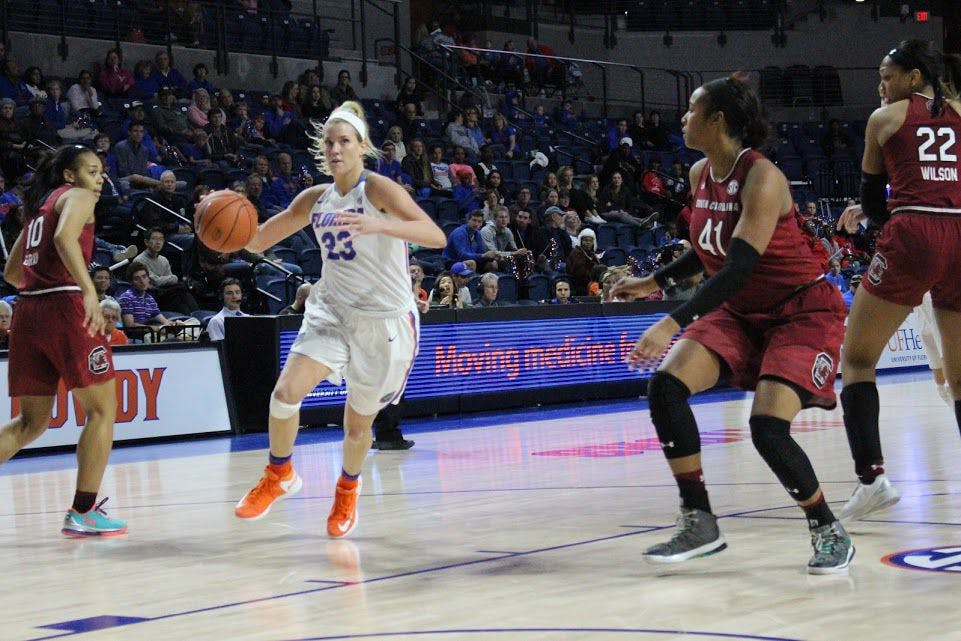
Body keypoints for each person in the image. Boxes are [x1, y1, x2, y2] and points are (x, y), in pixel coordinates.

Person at [611, 74, 853, 574]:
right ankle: (699, 520)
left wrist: (671, 321)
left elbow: (740, 262)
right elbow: (706, 251)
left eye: (692, 109)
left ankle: (827, 527)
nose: (682, 117)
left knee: (767, 427)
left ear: (717, 119)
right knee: (667, 387)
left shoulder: (763, 177)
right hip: (741, 311)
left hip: (801, 310)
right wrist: (651, 282)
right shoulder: (701, 172)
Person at [234, 101, 446, 538]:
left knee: (356, 425)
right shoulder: (315, 199)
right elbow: (256, 241)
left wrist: (381, 227)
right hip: (333, 309)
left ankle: (347, 489)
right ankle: (279, 474)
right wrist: (221, 227)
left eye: (344, 141)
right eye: (328, 142)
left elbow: (435, 236)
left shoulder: (379, 190)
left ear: (361, 146)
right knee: (285, 393)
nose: (335, 149)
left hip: (384, 319)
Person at [835, 40, 961, 521]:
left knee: (858, 357)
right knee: (959, 374)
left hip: (914, 230)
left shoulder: (884, 119)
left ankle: (871, 479)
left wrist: (890, 236)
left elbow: (871, 202)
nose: (880, 86)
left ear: (912, 77)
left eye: (886, 76)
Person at [0, 144, 126, 536]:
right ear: (70, 175)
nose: (99, 179)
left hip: (27, 311)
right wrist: (85, 291)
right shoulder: (79, 196)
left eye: (101, 172)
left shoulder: (40, 207)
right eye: (91, 171)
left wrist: (44, 286)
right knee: (103, 411)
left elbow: (11, 272)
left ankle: (83, 511)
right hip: (65, 308)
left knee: (30, 423)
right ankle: (83, 512)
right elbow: (65, 240)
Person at [206, 278, 246, 342]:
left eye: (237, 292)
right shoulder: (216, 321)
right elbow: (219, 348)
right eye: (229, 293)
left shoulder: (248, 318)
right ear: (221, 296)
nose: (234, 296)